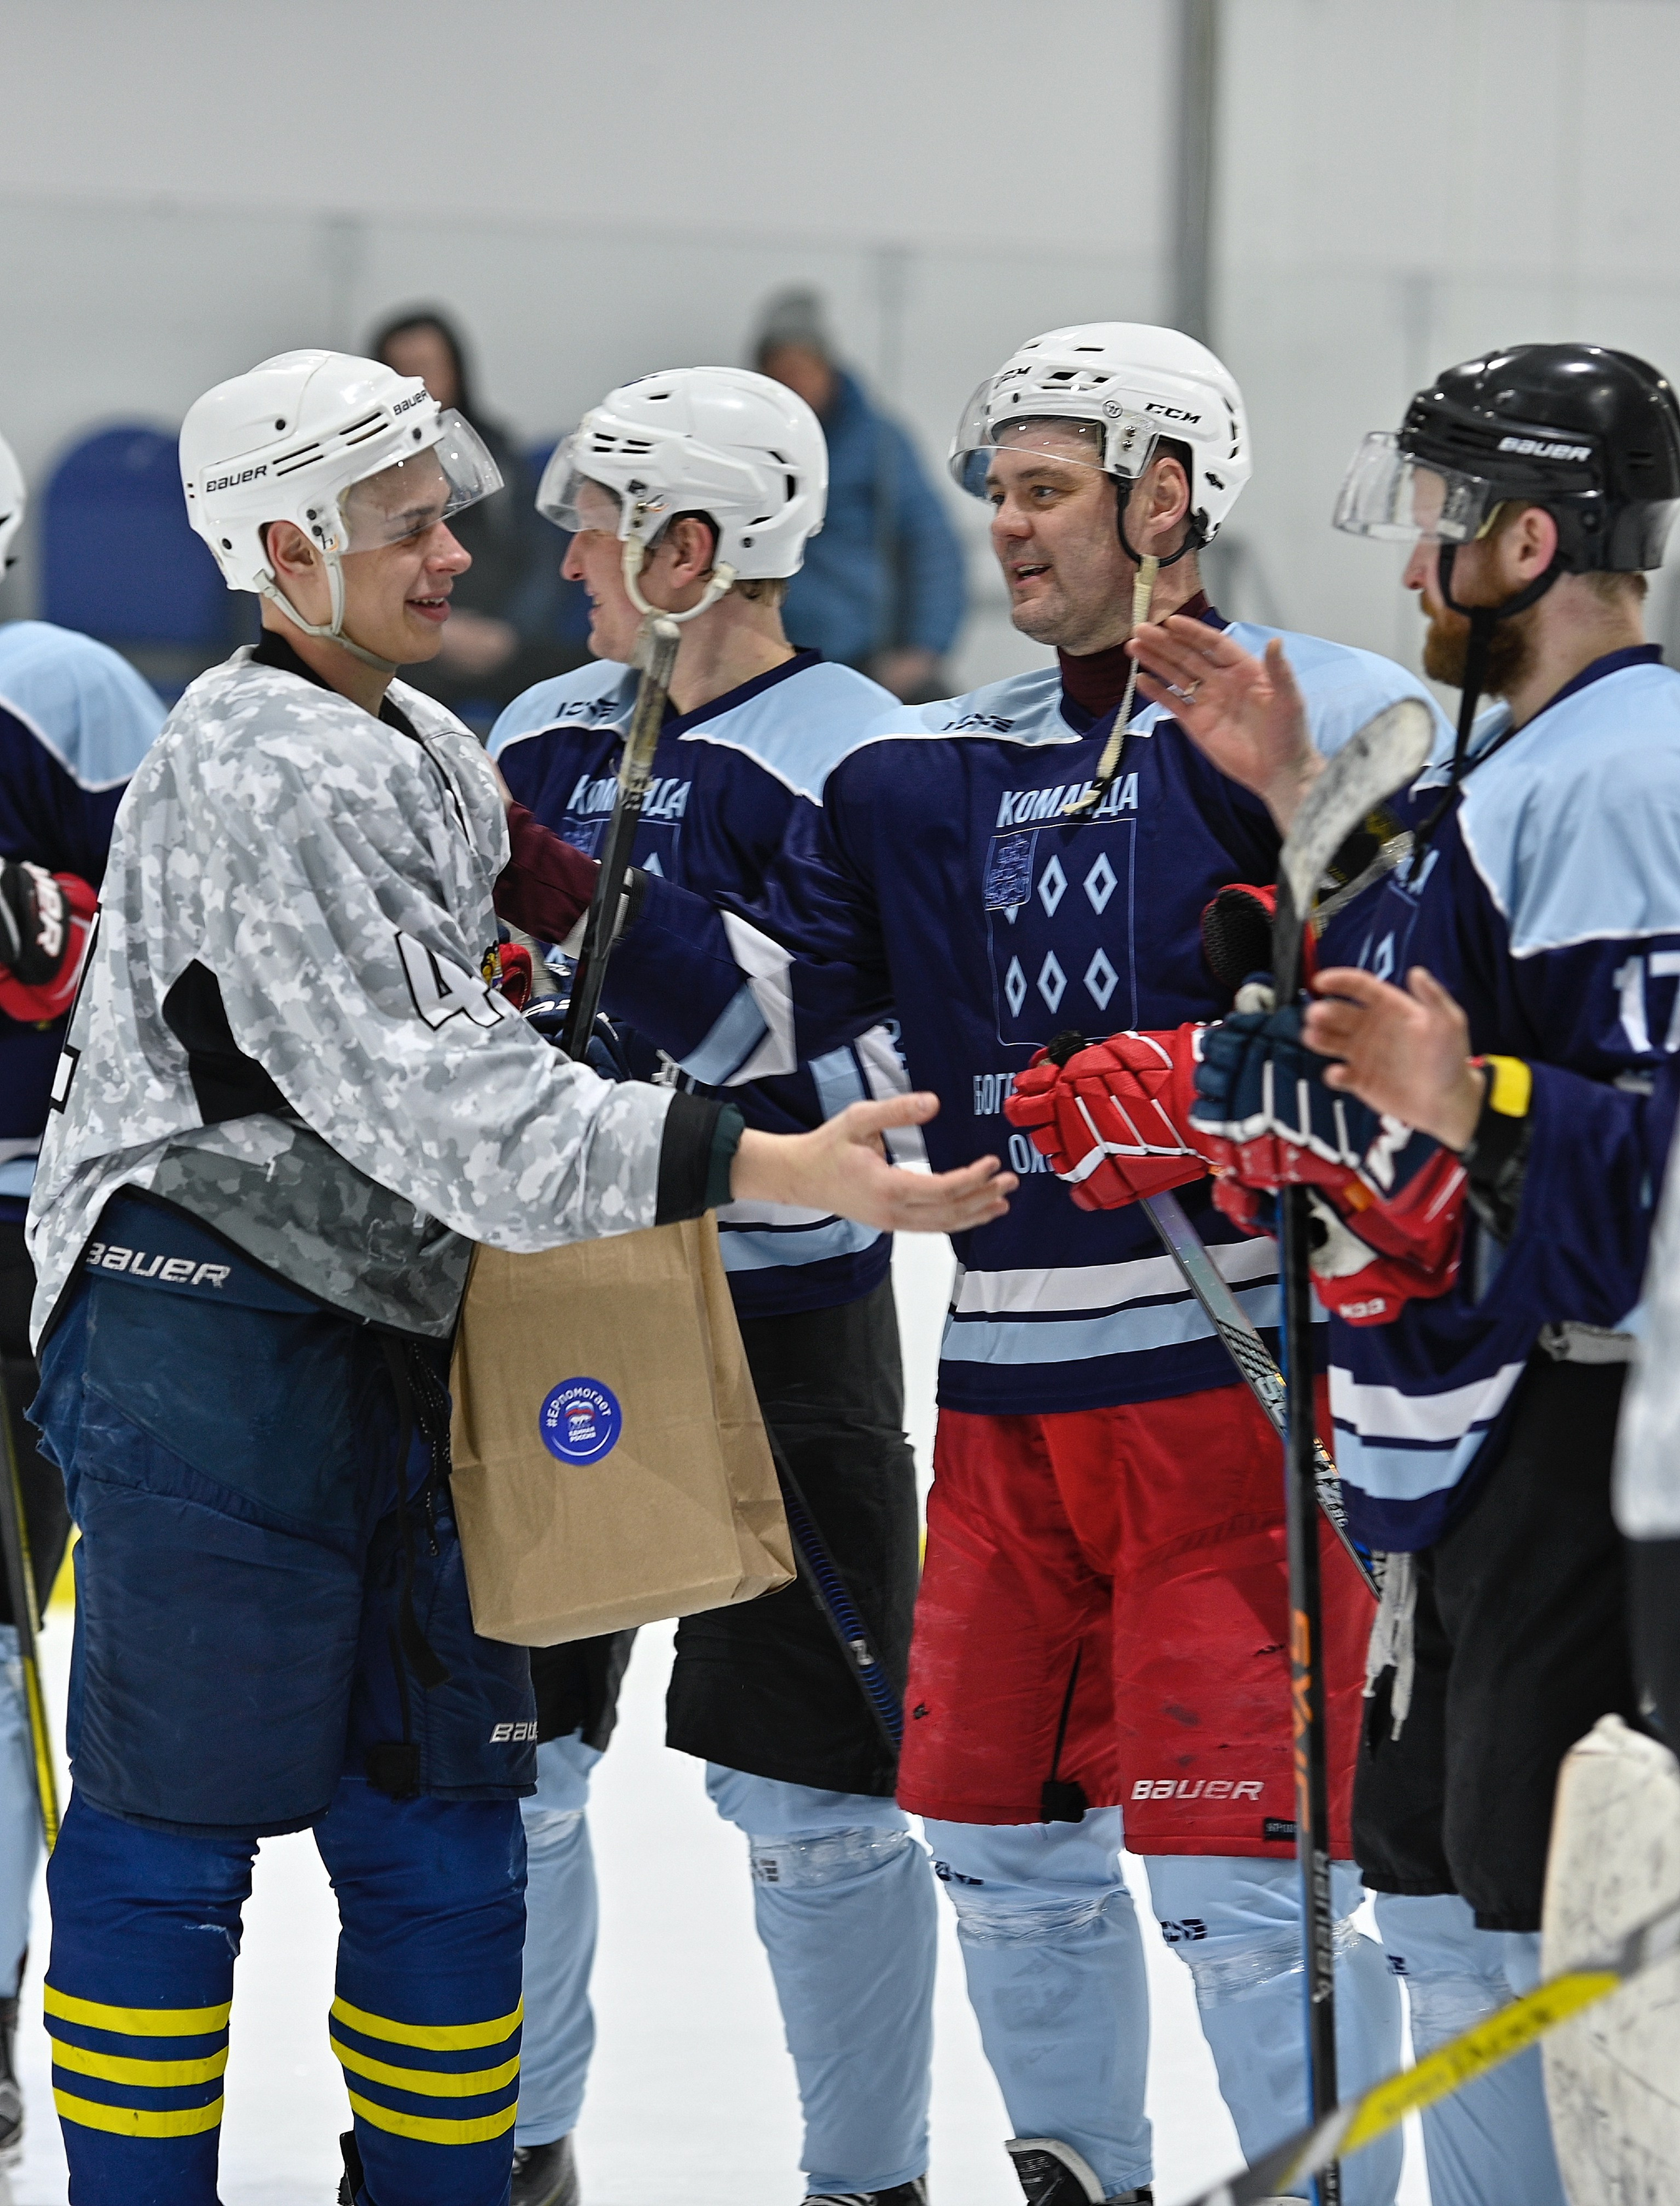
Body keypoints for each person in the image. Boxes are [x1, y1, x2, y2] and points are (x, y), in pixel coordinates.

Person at [21, 348, 1013, 2206]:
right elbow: (450, 1099)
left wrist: (820, 1016)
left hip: (405, 1338)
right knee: (174, 1837)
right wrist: (763, 1154)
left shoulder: (423, 741)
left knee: (448, 1817)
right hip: (202, 1339)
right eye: (410, 529)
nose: (463, 555)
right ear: (288, 546)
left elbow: (600, 927)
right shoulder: (257, 765)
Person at [570, 323, 1442, 2206]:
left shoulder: (1326, 709)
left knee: (1240, 1886)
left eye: (1048, 492)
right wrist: (539, 883)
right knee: (994, 1848)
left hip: (1240, 1407)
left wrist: (1214, 1064)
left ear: (1169, 496)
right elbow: (775, 1032)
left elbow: (1420, 1022)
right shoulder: (923, 775)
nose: (1008, 533)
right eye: (1000, 494)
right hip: (1010, 1408)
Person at [1088, 341, 1680, 2206]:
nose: (1408, 562)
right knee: (1433, 1892)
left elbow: (1642, 1180)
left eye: (1437, 518)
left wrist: (1465, 1097)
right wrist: (1303, 804)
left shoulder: (1626, 778)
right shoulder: (1516, 757)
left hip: (1580, 1435)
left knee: (1538, 1923)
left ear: (1525, 536)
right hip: (1469, 1431)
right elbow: (1429, 987)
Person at [488, 364, 934, 2206]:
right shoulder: (542, 724)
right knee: (510, 1780)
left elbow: (784, 1043)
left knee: (818, 1805)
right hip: (561, 1311)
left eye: (595, 524)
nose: (564, 560)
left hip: (782, 1319)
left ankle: (865, 2182)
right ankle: (507, 2155)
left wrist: (546, 882)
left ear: (691, 545)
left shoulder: (868, 759)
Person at [0, 428, 165, 2166]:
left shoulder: (56, 685)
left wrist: (60, 928)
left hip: (21, 1222)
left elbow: (173, 942)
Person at [753, 288, 965, 704]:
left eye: (803, 367)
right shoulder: (742, 443)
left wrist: (924, 648)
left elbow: (931, 544)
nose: (792, 381)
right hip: (766, 661)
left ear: (827, 367)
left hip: (865, 659)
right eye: (779, 369)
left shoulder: (879, 443)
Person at [373, 308, 585, 715]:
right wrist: (440, 629)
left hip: (501, 635)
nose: (421, 385)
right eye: (404, 372)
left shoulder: (498, 453)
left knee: (584, 674)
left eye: (429, 368)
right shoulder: (369, 470)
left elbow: (538, 557)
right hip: (416, 639)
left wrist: (507, 634)